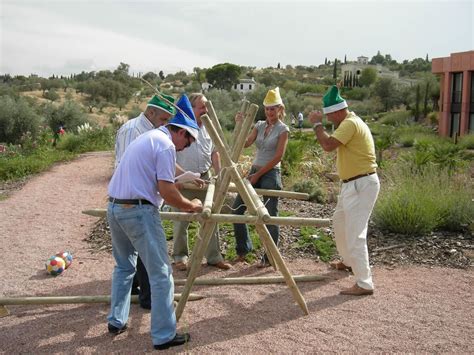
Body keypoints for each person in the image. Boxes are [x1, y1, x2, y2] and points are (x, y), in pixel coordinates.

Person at [107, 96, 202, 350]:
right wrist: (191, 205)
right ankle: (163, 335)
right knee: (161, 274)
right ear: (180, 131)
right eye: (188, 141)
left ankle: (116, 320)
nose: (186, 147)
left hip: (115, 207)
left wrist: (183, 180)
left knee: (124, 268)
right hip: (138, 211)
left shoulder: (148, 138)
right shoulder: (166, 145)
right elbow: (167, 191)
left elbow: (156, 179)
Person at [308, 85, 379, 296]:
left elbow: (328, 145)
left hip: (360, 184)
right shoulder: (349, 122)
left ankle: (364, 283)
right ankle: (349, 262)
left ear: (338, 111)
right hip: (352, 184)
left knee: (356, 234)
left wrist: (317, 124)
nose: (329, 119)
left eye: (330, 115)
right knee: (339, 222)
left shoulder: (349, 123)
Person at [113, 93, 176, 310]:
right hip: (132, 200)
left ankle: (126, 304)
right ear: (151, 112)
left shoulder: (151, 132)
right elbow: (128, 166)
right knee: (145, 255)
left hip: (137, 199)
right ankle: (148, 299)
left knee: (133, 256)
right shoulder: (133, 130)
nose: (165, 125)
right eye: (163, 120)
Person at [172, 93, 232, 271]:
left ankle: (213, 257)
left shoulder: (208, 127)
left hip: (205, 178)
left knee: (210, 218)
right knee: (181, 219)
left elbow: (215, 152)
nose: (206, 110)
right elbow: (171, 154)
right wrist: (177, 179)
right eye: (202, 107)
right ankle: (180, 257)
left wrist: (219, 173)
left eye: (206, 106)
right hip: (183, 180)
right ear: (191, 108)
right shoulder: (181, 127)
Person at [232, 87, 289, 267]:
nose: (270, 112)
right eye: (267, 109)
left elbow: (278, 156)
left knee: (270, 214)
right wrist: (240, 125)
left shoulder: (283, 129)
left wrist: (258, 174)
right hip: (255, 170)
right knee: (237, 209)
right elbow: (246, 143)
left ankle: (269, 257)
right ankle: (243, 250)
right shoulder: (259, 125)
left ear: (280, 109)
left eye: (273, 108)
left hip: (271, 173)